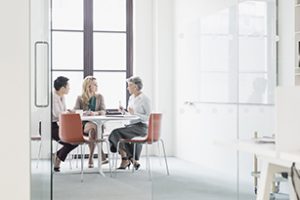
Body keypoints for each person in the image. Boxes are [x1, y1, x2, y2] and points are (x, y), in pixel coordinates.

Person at [109, 76, 151, 170]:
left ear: (135, 86)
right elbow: (131, 115)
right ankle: (131, 159)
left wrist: (134, 113)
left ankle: (126, 159)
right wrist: (123, 112)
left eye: (129, 85)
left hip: (141, 127)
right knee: (118, 136)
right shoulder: (131, 98)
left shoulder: (145, 99)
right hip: (131, 126)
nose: (127, 88)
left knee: (115, 133)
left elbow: (148, 117)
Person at [74, 75, 107, 168]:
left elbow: (103, 111)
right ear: (88, 86)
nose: (97, 86)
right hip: (84, 124)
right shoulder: (80, 98)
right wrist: (85, 113)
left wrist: (95, 114)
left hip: (98, 123)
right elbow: (76, 111)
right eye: (95, 85)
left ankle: (90, 157)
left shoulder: (100, 97)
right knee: (92, 128)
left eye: (97, 84)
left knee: (93, 130)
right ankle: (101, 155)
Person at [52, 76, 78, 172]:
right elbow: (57, 114)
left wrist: (67, 111)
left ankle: (57, 156)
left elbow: (62, 112)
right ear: (63, 88)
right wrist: (68, 113)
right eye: (68, 86)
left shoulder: (61, 96)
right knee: (72, 141)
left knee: (76, 139)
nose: (69, 88)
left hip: (59, 125)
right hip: (50, 126)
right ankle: (57, 159)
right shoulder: (53, 97)